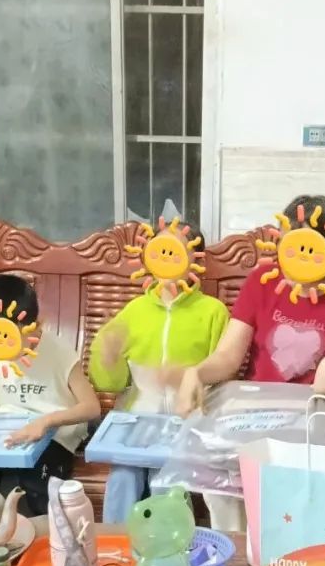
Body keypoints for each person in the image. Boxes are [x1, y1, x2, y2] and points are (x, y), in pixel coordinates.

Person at [175, 194, 325, 413]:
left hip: (315, 410)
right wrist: (197, 373)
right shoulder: (262, 280)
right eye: (288, 247)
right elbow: (228, 357)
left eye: (307, 249)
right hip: (256, 408)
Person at [88, 221, 229, 524]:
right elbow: (109, 383)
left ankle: (172, 541)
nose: (166, 256)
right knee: (123, 476)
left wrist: (185, 378)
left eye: (176, 249)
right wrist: (108, 356)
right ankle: (115, 541)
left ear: (196, 260)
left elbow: (223, 378)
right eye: (160, 248)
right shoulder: (134, 311)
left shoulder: (213, 311)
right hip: (137, 419)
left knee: (164, 480)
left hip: (187, 419)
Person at [0, 274, 100, 517]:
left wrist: (46, 421)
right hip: (3, 430)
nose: (4, 349)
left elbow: (91, 407)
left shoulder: (58, 353)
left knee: (35, 486)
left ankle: (40, 533)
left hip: (55, 432)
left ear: (36, 324)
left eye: (13, 339)